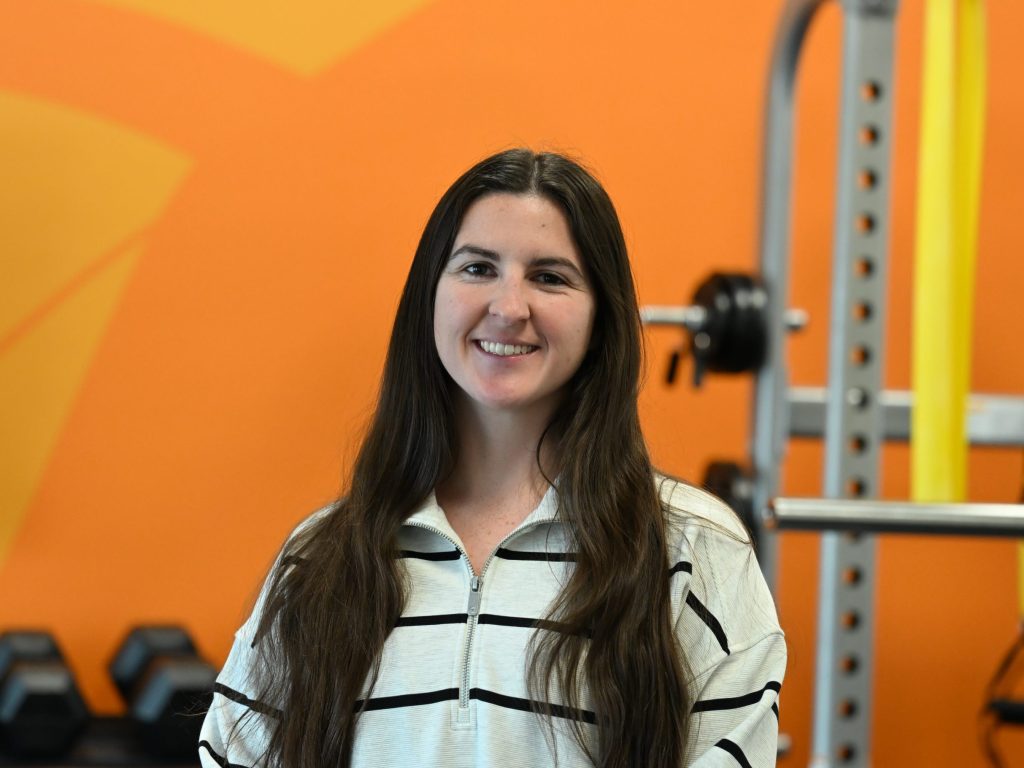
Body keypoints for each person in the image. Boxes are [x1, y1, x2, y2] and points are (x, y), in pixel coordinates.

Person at [198, 149, 786, 768]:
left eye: (551, 277)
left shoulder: (693, 550)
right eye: (478, 268)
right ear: (431, 297)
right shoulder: (319, 561)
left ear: (601, 317)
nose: (509, 306)